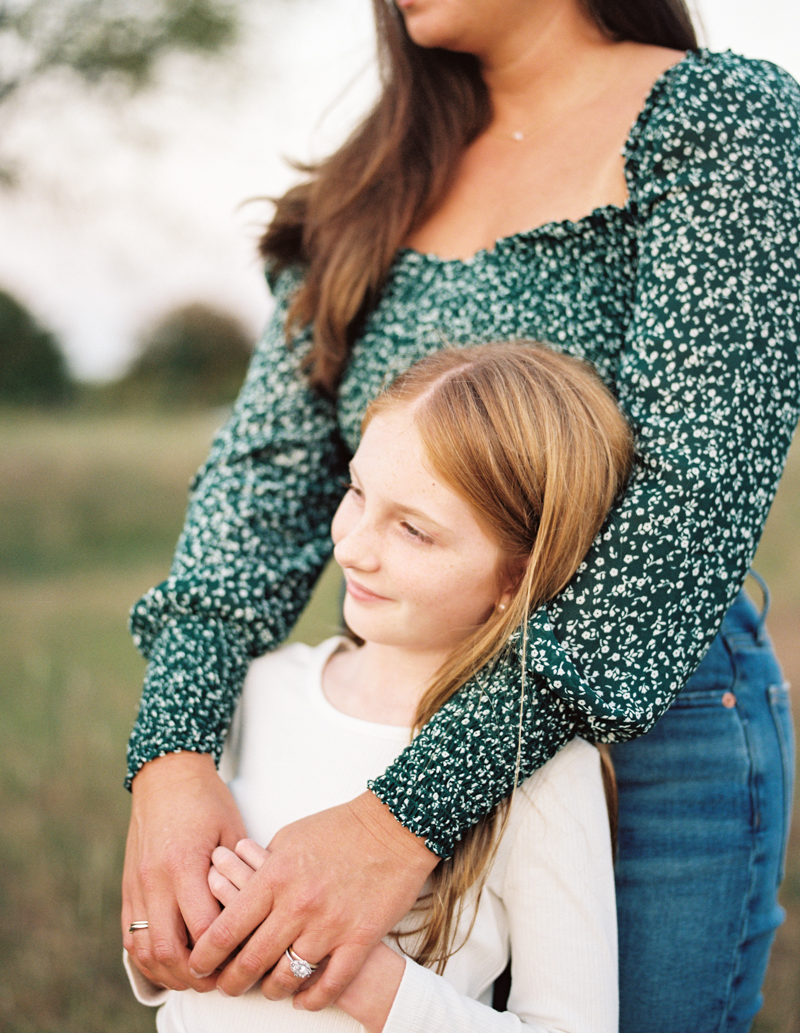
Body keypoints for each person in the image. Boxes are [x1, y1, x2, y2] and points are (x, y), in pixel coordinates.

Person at [122, 0, 800, 1031]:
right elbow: (257, 489)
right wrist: (171, 757)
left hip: (649, 738)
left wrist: (400, 819)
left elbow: (681, 516)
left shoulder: (717, 124)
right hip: (390, 698)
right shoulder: (375, 175)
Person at [124, 341, 630, 1032]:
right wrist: (170, 940)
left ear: (517, 576)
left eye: (414, 531)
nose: (353, 547)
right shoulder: (256, 691)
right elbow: (169, 967)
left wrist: (356, 974)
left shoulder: (539, 768)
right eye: (358, 492)